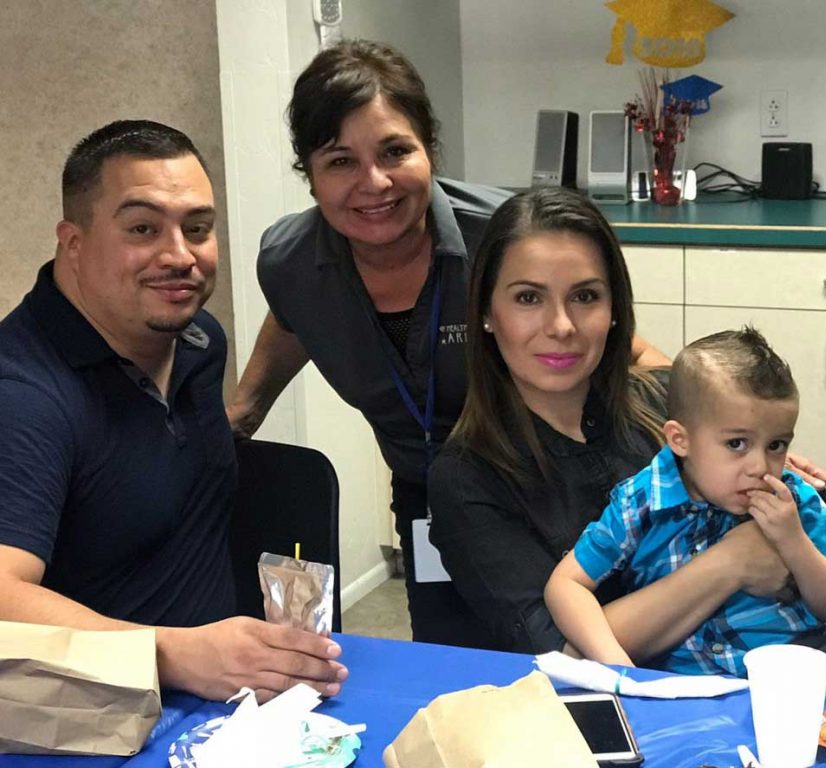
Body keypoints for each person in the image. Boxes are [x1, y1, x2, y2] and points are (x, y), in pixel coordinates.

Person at [225, 38, 673, 647]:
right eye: (340, 161)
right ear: (309, 176)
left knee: (568, 646)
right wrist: (244, 409)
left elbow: (619, 345)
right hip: (426, 485)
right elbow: (293, 317)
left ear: (429, 149)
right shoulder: (290, 261)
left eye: (394, 151)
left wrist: (715, 436)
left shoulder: (501, 236)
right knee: (452, 656)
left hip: (539, 479)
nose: (374, 183)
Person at [0, 120, 347, 702]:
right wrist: (174, 654)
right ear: (73, 242)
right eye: (143, 228)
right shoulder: (25, 394)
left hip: (225, 704)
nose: (180, 255)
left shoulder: (197, 342)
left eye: (198, 228)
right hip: (96, 716)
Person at [427, 188, 826, 658]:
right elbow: (563, 651)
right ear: (486, 313)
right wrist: (731, 564)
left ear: (616, 310)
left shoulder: (671, 402)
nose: (561, 325)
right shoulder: (465, 479)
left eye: (585, 296)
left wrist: (758, 461)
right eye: (528, 297)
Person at [544, 327, 826, 677]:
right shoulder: (641, 500)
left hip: (795, 671)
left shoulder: (794, 500)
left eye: (777, 445)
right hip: (686, 682)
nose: (759, 466)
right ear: (680, 440)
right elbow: (566, 585)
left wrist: (794, 542)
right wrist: (618, 668)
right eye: (737, 444)